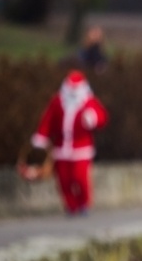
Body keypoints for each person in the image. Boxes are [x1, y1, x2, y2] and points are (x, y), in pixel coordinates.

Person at [31, 70, 109, 216]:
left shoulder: (89, 101)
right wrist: (41, 136)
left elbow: (102, 116)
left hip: (81, 148)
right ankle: (71, 205)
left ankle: (83, 203)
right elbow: (48, 119)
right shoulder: (57, 101)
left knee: (80, 177)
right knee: (64, 179)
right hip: (61, 148)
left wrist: (93, 118)